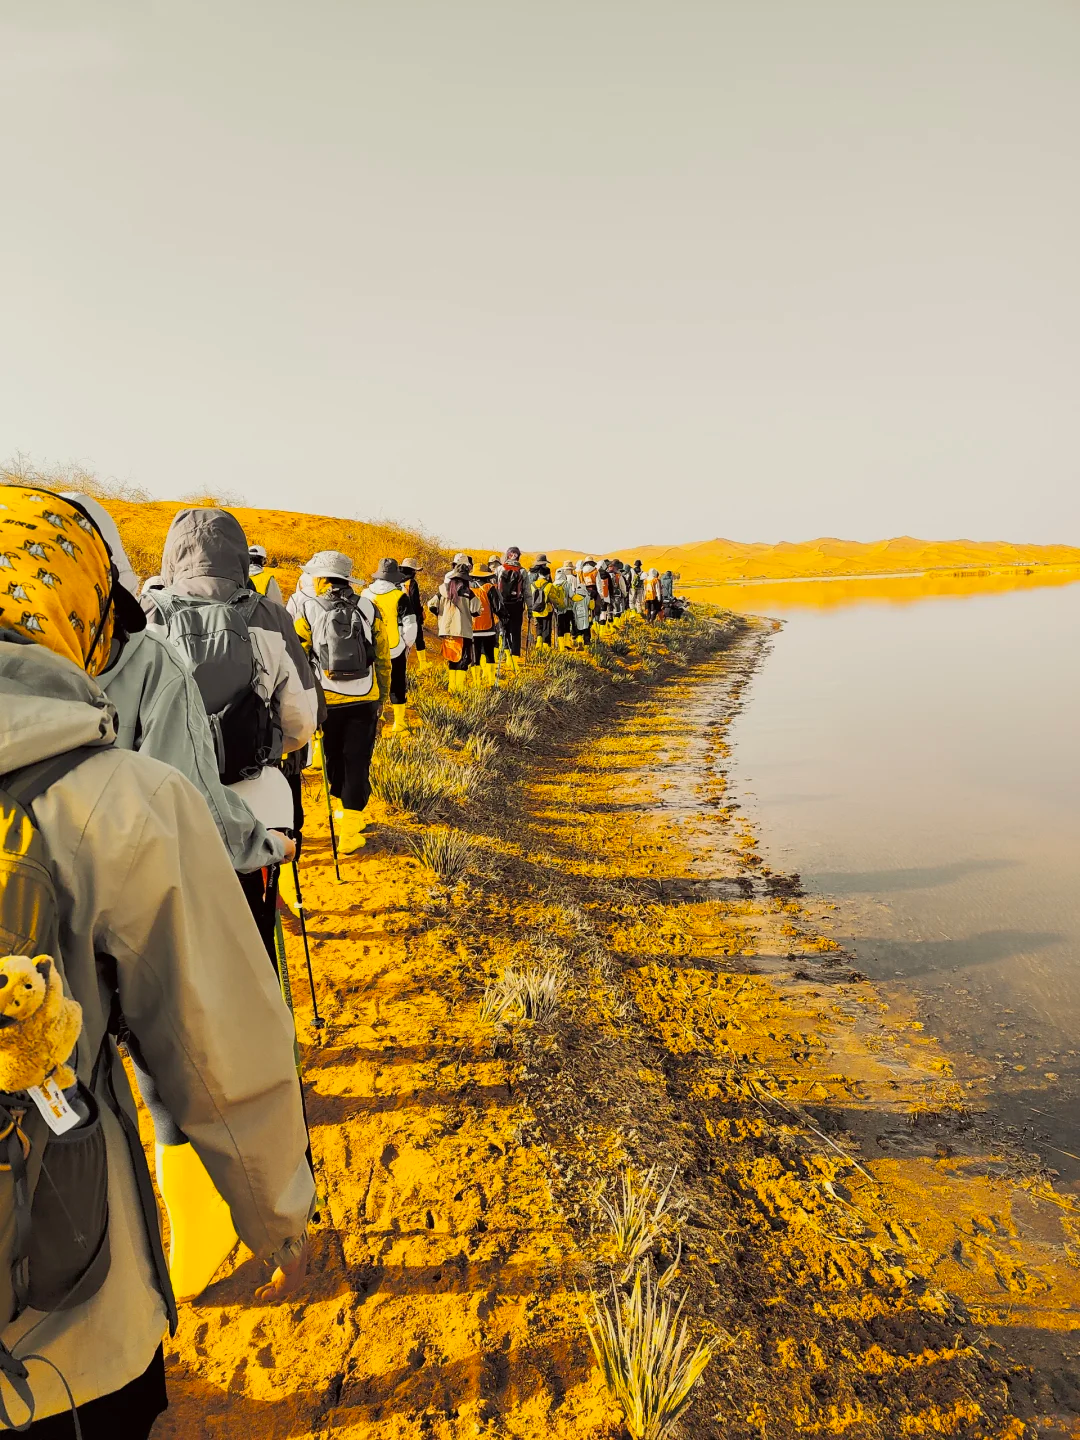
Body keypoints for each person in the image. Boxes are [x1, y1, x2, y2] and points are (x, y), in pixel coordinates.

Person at [0, 485, 313, 1439]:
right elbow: (215, 1038)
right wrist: (276, 1210)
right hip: (62, 1308)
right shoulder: (114, 796)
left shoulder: (167, 626)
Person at [141, 508, 318, 960]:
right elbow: (302, 719)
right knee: (251, 932)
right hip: (255, 799)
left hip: (167, 801)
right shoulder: (270, 615)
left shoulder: (147, 615)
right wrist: (267, 747)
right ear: (239, 556)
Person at [293, 551, 390, 853]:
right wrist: (382, 696)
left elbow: (297, 656)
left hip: (327, 700)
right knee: (357, 760)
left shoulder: (308, 609)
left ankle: (341, 811)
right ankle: (350, 828)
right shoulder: (369, 607)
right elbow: (383, 656)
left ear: (322, 579)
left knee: (333, 757)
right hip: (365, 697)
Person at [362, 559, 418, 732]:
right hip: (394, 647)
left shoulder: (365, 594)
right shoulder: (399, 596)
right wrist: (407, 644)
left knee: (373, 681)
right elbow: (410, 623)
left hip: (370, 647)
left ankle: (376, 717)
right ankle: (399, 722)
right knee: (397, 682)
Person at [428, 563, 480, 690]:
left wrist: (442, 614)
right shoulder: (468, 593)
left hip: (447, 630)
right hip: (463, 630)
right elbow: (475, 611)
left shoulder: (442, 590)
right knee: (464, 659)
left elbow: (431, 605)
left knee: (452, 659)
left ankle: (452, 687)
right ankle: (459, 689)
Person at [468, 558, 506, 683]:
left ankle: (477, 682)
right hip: (488, 628)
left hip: (472, 628)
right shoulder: (489, 587)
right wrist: (505, 617)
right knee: (489, 654)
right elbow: (497, 607)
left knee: (475, 656)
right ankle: (491, 680)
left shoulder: (467, 588)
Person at [496, 547, 527, 668]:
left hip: (502, 604)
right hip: (517, 605)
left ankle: (507, 656)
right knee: (516, 631)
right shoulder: (523, 571)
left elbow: (495, 588)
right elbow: (527, 592)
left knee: (504, 630)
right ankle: (515, 660)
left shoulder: (499, 569)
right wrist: (530, 608)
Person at [399, 557, 428, 670]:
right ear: (412, 571)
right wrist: (420, 614)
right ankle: (423, 664)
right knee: (419, 638)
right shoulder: (412, 583)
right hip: (411, 616)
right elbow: (415, 601)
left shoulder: (397, 582)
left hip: (399, 616)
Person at [528, 555, 555, 651]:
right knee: (546, 624)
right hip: (546, 603)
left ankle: (538, 643)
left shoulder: (530, 573)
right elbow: (550, 586)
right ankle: (545, 645)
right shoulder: (546, 571)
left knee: (537, 623)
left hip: (534, 603)